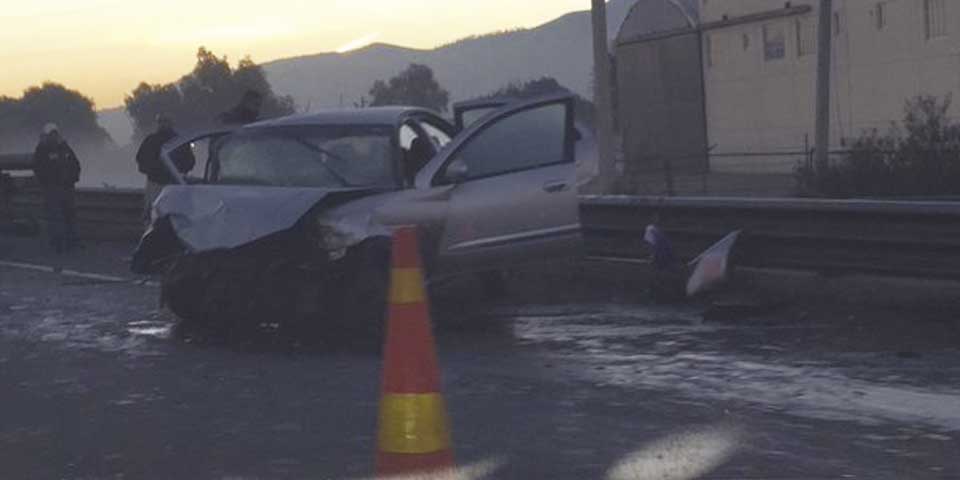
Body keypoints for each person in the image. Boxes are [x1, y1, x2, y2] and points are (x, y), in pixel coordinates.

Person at [135, 114, 195, 226]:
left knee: (160, 214)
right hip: (161, 183)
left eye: (164, 121)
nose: (162, 124)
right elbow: (141, 159)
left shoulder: (177, 141)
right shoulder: (177, 141)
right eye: (161, 122)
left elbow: (189, 162)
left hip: (167, 184)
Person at [32, 123, 81, 253]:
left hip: (67, 188)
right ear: (46, 135)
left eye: (55, 133)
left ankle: (73, 242)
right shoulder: (42, 149)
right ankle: (57, 244)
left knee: (70, 215)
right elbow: (38, 168)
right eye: (51, 134)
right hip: (52, 189)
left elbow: (76, 164)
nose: (54, 136)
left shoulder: (65, 147)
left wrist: (73, 179)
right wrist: (48, 182)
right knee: (55, 216)